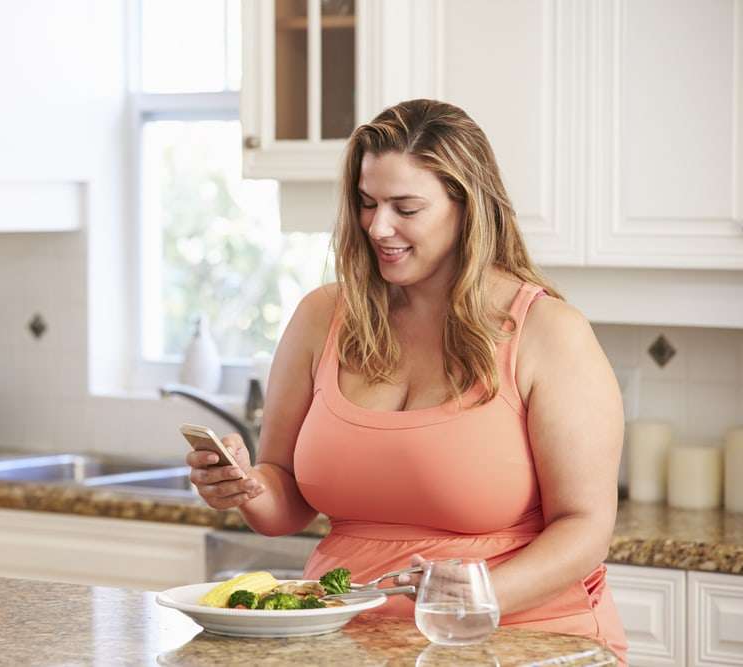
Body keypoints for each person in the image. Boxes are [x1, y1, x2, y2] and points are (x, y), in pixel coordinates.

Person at [185, 99, 628, 661]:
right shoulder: (322, 318)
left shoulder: (547, 333)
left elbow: (586, 526)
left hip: (523, 639)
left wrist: (473, 593)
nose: (378, 225)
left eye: (406, 207)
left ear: (468, 206)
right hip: (350, 643)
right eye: (367, 203)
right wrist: (246, 487)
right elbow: (287, 499)